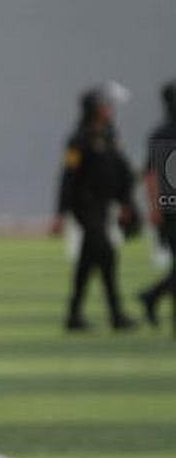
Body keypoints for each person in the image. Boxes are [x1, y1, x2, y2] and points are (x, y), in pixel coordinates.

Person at [51, 85, 138, 331]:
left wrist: (126, 202)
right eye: (104, 105)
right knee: (107, 256)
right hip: (86, 207)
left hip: (104, 206)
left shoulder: (110, 135)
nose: (109, 110)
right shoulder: (80, 139)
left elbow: (120, 172)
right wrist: (61, 212)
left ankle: (75, 316)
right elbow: (68, 176)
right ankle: (115, 314)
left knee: (88, 262)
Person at [138, 81, 176, 327]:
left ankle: (153, 296)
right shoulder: (162, 134)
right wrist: (154, 208)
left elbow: (150, 176)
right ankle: (153, 296)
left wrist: (155, 207)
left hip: (169, 206)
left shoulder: (160, 133)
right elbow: (151, 175)